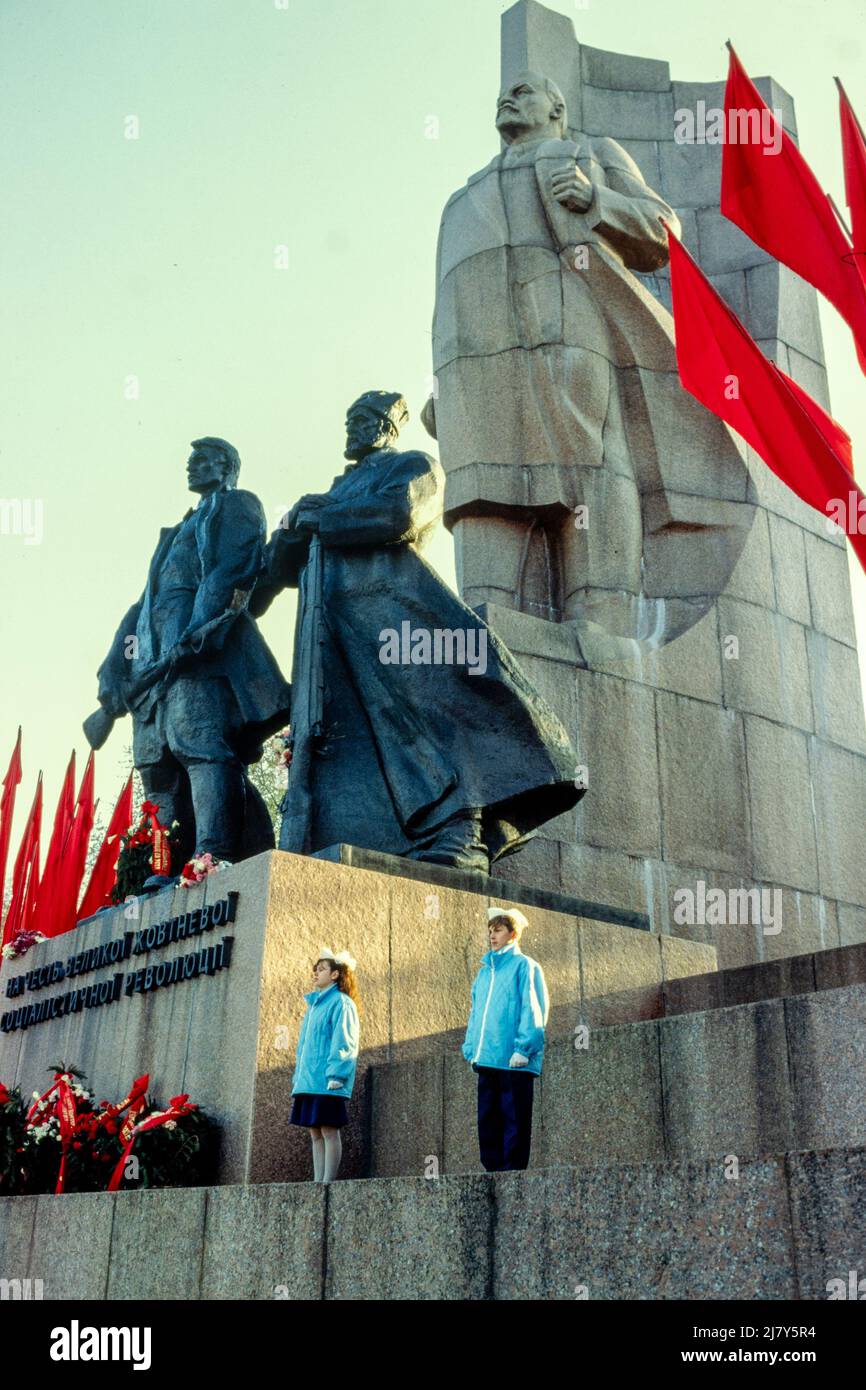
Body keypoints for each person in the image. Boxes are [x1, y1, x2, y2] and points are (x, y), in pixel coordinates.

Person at [250, 390, 581, 872]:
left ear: (388, 427)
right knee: (352, 745)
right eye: (349, 419)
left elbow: (398, 516)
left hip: (393, 613)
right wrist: (288, 532)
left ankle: (461, 834)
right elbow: (275, 572)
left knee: (424, 720)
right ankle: (389, 839)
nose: (353, 428)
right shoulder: (330, 492)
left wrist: (320, 516)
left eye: (365, 420)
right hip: (331, 640)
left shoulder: (411, 464)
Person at [88, 436, 291, 868]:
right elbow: (142, 603)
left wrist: (198, 630)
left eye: (203, 460)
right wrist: (113, 667)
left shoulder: (238, 506)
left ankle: (212, 854)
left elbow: (231, 571)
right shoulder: (176, 531)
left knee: (199, 749)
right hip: (152, 663)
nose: (192, 466)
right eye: (190, 460)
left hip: (200, 656)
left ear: (227, 467)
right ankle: (163, 867)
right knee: (156, 768)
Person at [462, 906, 548, 1172]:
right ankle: (493, 1171)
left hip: (514, 1061)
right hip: (486, 1057)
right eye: (490, 930)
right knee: (488, 1119)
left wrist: (524, 1048)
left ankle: (513, 1174)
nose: (492, 935)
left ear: (513, 935)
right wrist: (470, 1046)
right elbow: (476, 1011)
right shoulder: (484, 971)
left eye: (498, 929)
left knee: (514, 1119)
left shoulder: (525, 966)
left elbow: (533, 1008)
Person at [290, 948, 360, 1183]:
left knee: (329, 1130)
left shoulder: (342, 1003)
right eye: (315, 969)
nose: (316, 973)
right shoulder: (313, 1006)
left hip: (328, 1080)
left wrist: (337, 1074)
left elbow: (344, 1040)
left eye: (321, 969)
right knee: (315, 1132)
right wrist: (298, 1077)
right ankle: (317, 1182)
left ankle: (328, 1182)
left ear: (335, 975)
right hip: (309, 1080)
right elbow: (303, 1047)